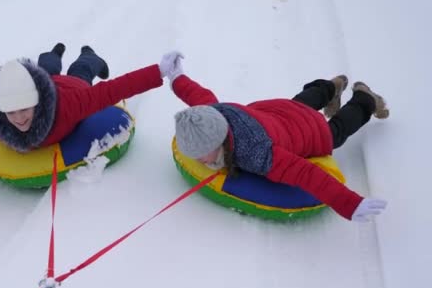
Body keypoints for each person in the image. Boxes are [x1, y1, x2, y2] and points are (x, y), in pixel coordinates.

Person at [163, 51, 389, 222]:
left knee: (335, 132)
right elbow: (197, 95)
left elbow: (306, 173)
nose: (200, 160)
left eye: (203, 153)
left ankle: (365, 99)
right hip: (277, 113)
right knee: (299, 104)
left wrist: (350, 204)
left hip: (308, 131)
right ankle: (331, 87)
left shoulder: (257, 152)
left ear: (219, 140)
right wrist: (175, 76)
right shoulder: (212, 115)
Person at [0, 44, 175, 153]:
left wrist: (160, 70)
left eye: (23, 110)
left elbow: (113, 90)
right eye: (11, 112)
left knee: (80, 71)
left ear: (36, 103)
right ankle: (52, 53)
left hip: (69, 88)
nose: (17, 119)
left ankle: (90, 55)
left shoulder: (69, 107)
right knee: (47, 66)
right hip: (41, 80)